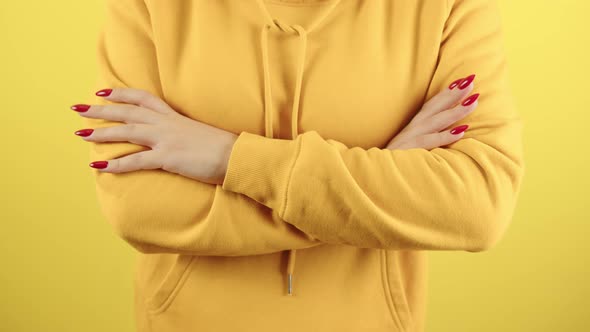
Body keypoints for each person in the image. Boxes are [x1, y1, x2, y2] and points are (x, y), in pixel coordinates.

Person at [71, 0, 525, 331]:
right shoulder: (149, 5)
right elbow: (140, 209)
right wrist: (384, 172)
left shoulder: (450, 6)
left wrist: (227, 156)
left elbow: (478, 204)